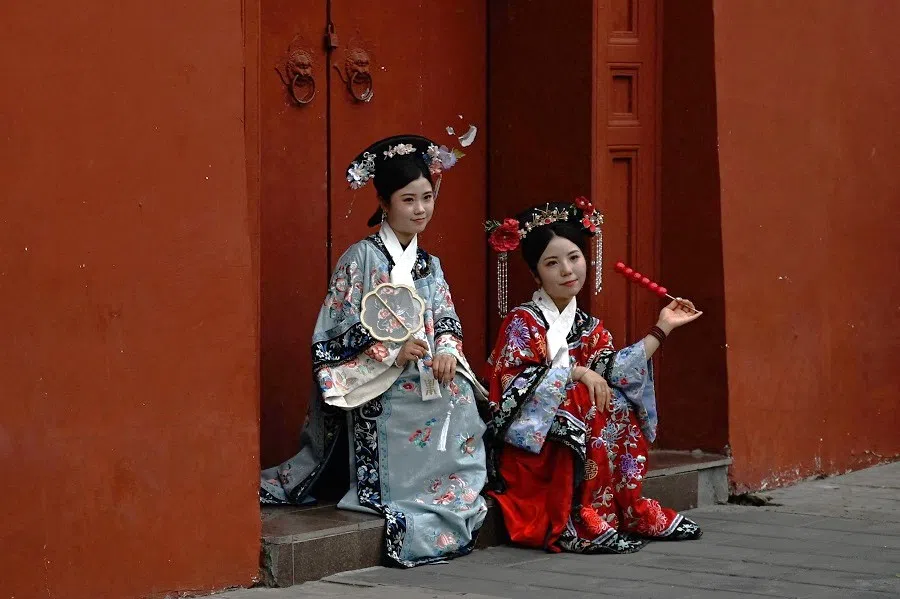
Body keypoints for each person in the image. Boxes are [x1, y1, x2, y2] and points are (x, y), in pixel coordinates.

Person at [261, 135, 488, 567]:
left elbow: (446, 319)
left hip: (423, 369)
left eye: (427, 197)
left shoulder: (430, 265)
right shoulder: (359, 258)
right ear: (384, 202)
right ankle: (401, 492)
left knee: (458, 392)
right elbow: (331, 335)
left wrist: (444, 351)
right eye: (408, 200)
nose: (420, 209)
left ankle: (448, 492)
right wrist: (389, 352)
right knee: (403, 398)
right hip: (375, 379)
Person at [483, 199, 704, 554]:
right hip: (532, 441)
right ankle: (577, 515)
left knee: (615, 401)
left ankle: (627, 508)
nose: (567, 270)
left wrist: (663, 327)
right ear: (536, 275)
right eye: (552, 263)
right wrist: (575, 373)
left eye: (574, 257)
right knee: (582, 401)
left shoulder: (590, 326)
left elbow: (614, 371)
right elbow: (510, 385)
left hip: (577, 423)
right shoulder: (522, 322)